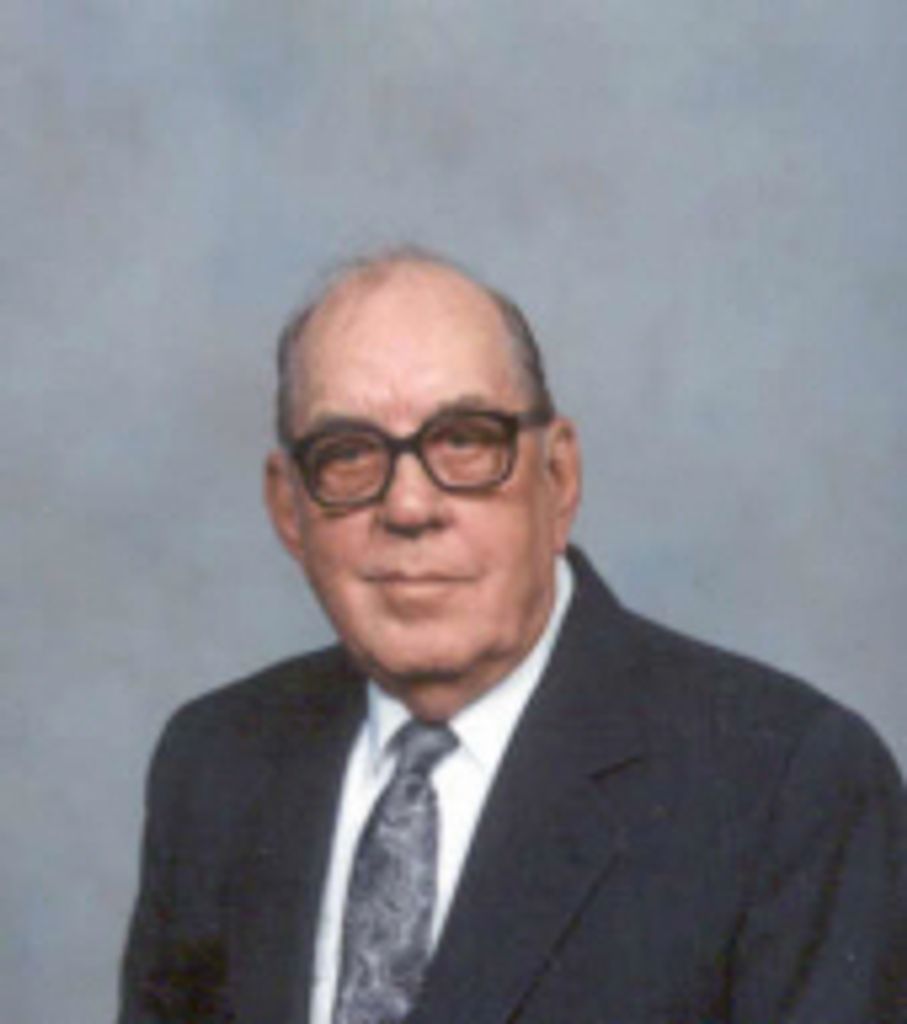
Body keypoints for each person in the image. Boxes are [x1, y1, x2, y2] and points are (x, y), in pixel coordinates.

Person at [118, 248, 907, 1024]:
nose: (409, 507)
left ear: (557, 479)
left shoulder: (789, 785)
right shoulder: (215, 762)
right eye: (348, 454)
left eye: (465, 441)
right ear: (288, 509)